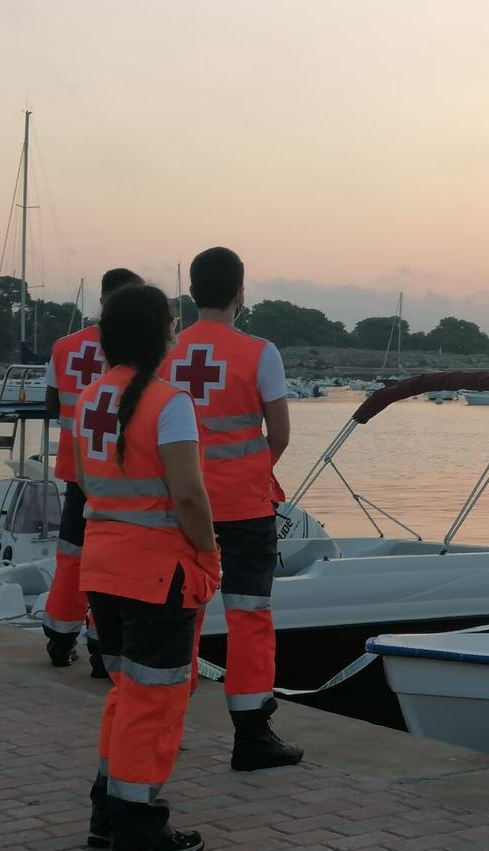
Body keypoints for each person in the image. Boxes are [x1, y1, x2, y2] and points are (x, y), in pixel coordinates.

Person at [76, 284, 220, 851]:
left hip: (102, 565)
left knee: (126, 693)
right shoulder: (170, 403)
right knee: (153, 701)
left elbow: (89, 482)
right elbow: (187, 494)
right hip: (159, 572)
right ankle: (137, 828)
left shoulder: (90, 397)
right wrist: (209, 550)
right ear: (162, 334)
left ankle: (109, 814)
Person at [160, 246, 303, 771]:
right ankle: (251, 735)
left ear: (192, 292)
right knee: (249, 616)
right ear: (241, 293)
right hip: (245, 506)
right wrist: (247, 471)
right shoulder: (260, 353)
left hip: (179, 504)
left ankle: (163, 727)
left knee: (179, 615)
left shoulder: (166, 352)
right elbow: (279, 434)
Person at [42, 267, 143, 673]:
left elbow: (52, 404)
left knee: (71, 553)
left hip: (74, 468)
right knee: (111, 561)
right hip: (117, 473)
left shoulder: (65, 346)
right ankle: (104, 648)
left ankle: (59, 637)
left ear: (102, 299)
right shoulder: (132, 354)